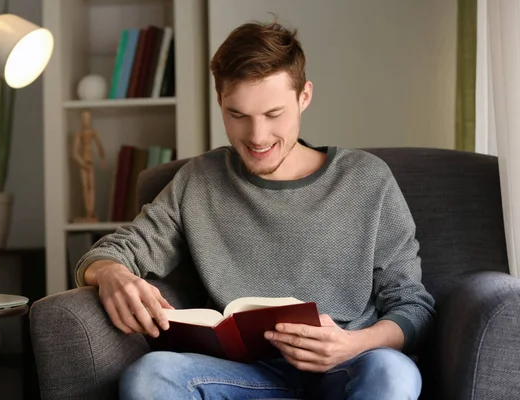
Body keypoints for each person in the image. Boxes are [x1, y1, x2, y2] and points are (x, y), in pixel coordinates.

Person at [75, 19, 436, 400]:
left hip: (347, 367)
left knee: (394, 373)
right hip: (241, 378)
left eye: (273, 114)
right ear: (220, 102)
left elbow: (413, 306)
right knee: (151, 375)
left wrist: (352, 344)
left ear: (304, 96)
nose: (257, 137)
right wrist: (111, 273)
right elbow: (112, 252)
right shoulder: (198, 181)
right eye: (238, 115)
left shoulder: (367, 179)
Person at [72, 109, 106, 222]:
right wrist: (81, 163)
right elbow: (74, 152)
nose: (85, 120)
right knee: (85, 187)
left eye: (87, 118)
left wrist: (102, 160)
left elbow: (100, 147)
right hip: (84, 163)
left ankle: (91, 211)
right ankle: (88, 211)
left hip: (90, 162)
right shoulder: (79, 134)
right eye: (83, 118)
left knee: (91, 187)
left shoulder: (93, 133)